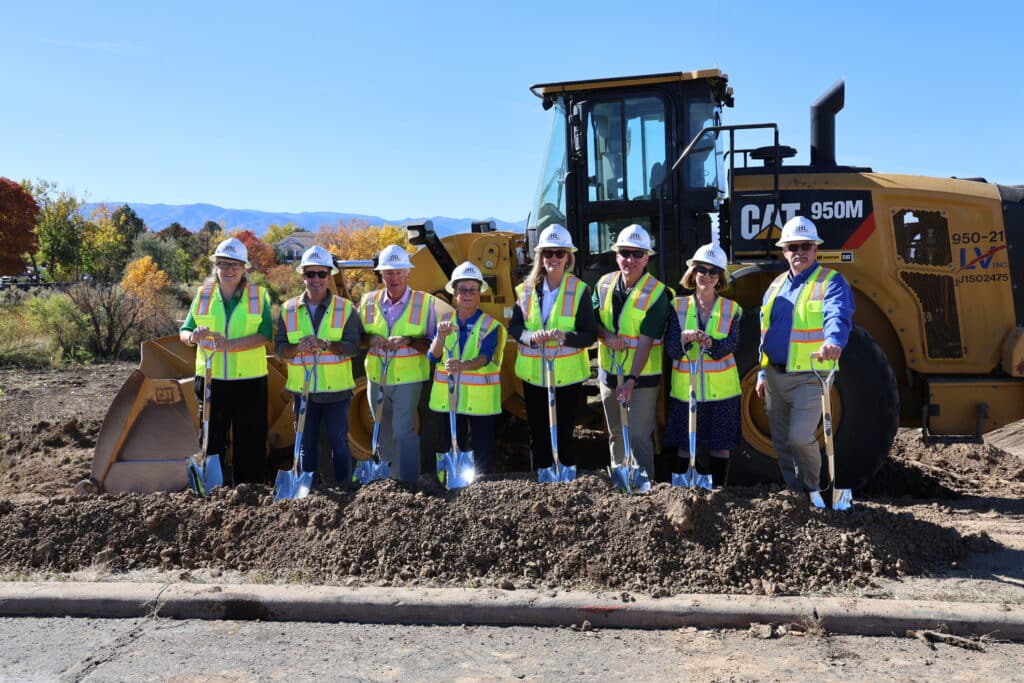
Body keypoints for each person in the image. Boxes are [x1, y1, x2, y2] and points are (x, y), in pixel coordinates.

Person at [755, 215, 855, 496]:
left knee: (800, 438)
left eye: (805, 246)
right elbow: (765, 334)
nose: (799, 252)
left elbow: (838, 314)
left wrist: (834, 341)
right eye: (792, 246)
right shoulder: (775, 286)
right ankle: (795, 492)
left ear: (815, 249)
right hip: (775, 375)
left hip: (810, 376)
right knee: (782, 443)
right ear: (783, 251)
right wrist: (762, 373)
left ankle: (813, 489)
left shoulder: (832, 282)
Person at [179, 237, 273, 485]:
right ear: (215, 267)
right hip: (212, 380)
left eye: (235, 265)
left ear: (244, 268)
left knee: (250, 440)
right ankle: (214, 490)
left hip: (250, 382)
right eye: (223, 264)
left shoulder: (258, 295)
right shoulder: (203, 295)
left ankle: (249, 490)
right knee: (211, 439)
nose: (229, 270)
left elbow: (265, 335)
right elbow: (185, 330)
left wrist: (229, 345)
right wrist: (193, 338)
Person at [509, 225, 597, 471]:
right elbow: (514, 327)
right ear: (541, 257)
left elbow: (589, 335)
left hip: (567, 377)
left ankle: (564, 479)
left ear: (568, 257)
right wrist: (531, 336)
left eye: (559, 253)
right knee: (537, 433)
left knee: (564, 431)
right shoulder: (525, 291)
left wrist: (564, 336)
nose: (554, 258)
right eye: (548, 253)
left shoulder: (579, 290)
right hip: (534, 375)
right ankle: (542, 479)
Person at [275, 246, 362, 488]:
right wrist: (296, 349)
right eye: (310, 274)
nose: (316, 279)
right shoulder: (287, 309)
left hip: (337, 390)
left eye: (321, 274)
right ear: (302, 276)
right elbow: (280, 348)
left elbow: (354, 347)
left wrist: (325, 344)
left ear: (329, 276)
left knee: (340, 443)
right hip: (303, 392)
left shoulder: (345, 309)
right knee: (305, 443)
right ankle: (308, 491)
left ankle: (345, 487)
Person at [593, 224, 670, 478]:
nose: (630, 260)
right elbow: (592, 321)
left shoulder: (657, 293)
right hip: (609, 374)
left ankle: (644, 486)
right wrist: (608, 336)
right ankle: (620, 480)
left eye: (637, 254)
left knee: (637, 435)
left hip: (642, 379)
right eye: (625, 253)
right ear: (616, 255)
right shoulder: (603, 285)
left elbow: (647, 339)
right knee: (616, 432)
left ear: (647, 258)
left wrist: (632, 380)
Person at [359, 244, 439, 483]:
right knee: (382, 428)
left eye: (398, 272)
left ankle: (409, 480)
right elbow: (358, 338)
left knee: (403, 430)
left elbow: (433, 343)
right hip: (376, 377)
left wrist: (407, 340)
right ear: (381, 274)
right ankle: (390, 481)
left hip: (408, 378)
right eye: (389, 272)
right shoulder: (368, 301)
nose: (394, 278)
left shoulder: (424, 303)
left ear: (408, 273)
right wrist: (371, 339)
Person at [664, 243, 742, 486]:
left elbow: (731, 345)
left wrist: (709, 342)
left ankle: (719, 493)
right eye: (701, 269)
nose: (706, 276)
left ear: (720, 278)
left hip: (723, 393)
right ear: (693, 272)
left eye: (713, 271)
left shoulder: (732, 309)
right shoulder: (677, 306)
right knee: (686, 447)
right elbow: (672, 350)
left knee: (721, 447)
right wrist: (684, 339)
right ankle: (684, 492)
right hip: (687, 392)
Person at [427, 262, 506, 475]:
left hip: (479, 400)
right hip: (449, 398)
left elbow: (485, 358)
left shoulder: (490, 325)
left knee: (482, 449)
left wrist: (463, 366)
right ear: (454, 293)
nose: (468, 294)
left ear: (479, 293)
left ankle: (483, 488)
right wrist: (440, 337)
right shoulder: (444, 322)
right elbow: (432, 357)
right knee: (451, 443)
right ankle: (452, 483)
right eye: (463, 289)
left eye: (473, 290)